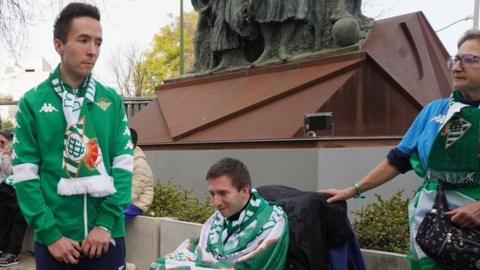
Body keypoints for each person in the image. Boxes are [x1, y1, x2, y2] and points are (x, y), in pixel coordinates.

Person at [321, 29, 480, 270]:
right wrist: (352, 190)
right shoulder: (434, 112)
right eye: (455, 59)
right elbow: (398, 159)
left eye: (469, 60)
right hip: (432, 223)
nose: (457, 67)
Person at [12, 3, 133, 270]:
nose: (93, 51)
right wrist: (51, 234)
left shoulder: (110, 100)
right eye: (83, 40)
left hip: (107, 238)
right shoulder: (32, 103)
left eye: (98, 43)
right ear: (59, 45)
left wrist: (105, 224)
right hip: (56, 243)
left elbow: (124, 167)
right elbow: (24, 176)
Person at [149, 158, 289, 270]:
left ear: (245, 191)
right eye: (212, 194)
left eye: (223, 193)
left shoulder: (273, 221)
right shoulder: (219, 218)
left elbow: (251, 265)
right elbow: (197, 250)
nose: (216, 202)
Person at [0, 129, 27, 267]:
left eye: (3, 142)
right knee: (3, 213)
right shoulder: (5, 153)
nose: (1, 145)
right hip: (8, 187)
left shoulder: (22, 148)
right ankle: (3, 248)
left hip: (24, 189)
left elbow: (11, 170)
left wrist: (7, 156)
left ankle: (12, 252)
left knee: (18, 214)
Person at [124, 128, 154, 224]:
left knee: (114, 220)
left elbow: (135, 190)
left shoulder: (139, 163)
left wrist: (117, 204)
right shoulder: (124, 159)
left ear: (131, 145)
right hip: (124, 201)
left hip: (138, 204)